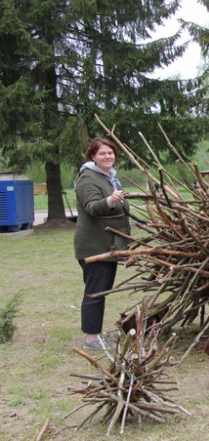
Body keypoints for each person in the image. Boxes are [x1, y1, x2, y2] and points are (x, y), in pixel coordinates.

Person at [74, 137, 131, 350]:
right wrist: (111, 200)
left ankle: (94, 334)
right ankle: (91, 338)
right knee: (95, 291)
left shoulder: (109, 178)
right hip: (94, 247)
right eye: (102, 153)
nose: (107, 156)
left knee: (101, 290)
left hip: (108, 245)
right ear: (93, 156)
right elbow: (92, 207)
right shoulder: (88, 178)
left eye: (110, 153)